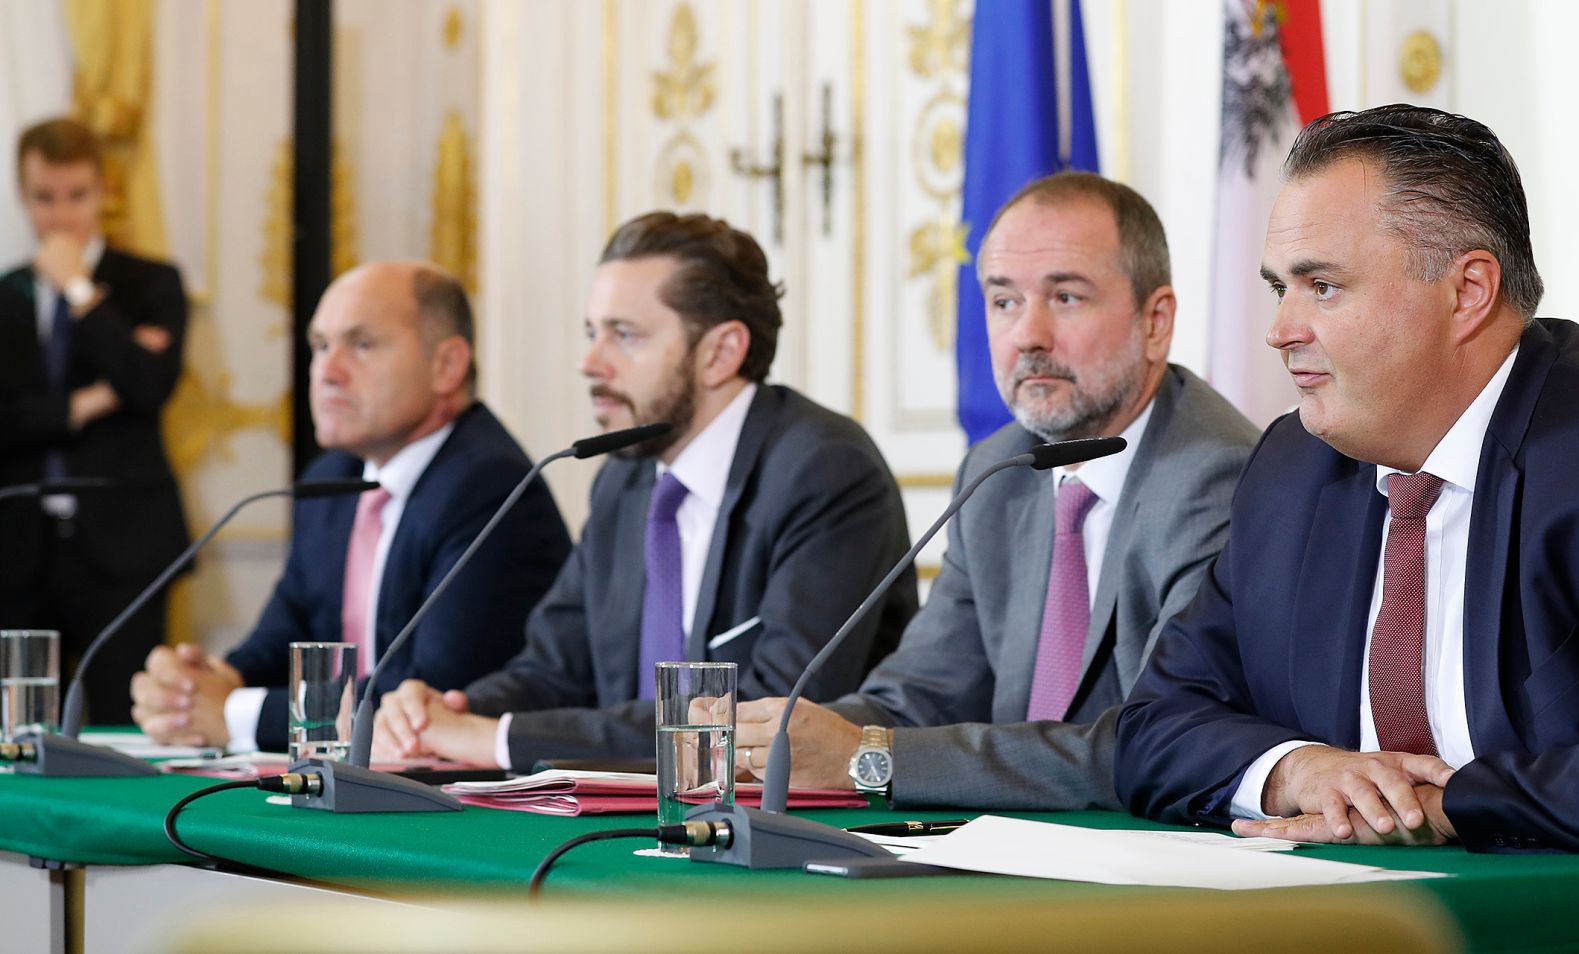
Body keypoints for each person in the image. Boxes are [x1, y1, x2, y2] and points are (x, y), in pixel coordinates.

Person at [1116, 105, 1579, 856]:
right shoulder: (1293, 466)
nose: (1281, 328)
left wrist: (1438, 805)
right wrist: (1301, 771)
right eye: (1278, 288)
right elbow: (1153, 725)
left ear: (1468, 291)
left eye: (1321, 286)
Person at [733, 173, 1259, 810]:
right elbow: (921, 695)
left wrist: (866, 758)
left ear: (1155, 322)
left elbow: (1154, 738)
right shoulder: (1000, 469)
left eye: (1065, 297)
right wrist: (773, 741)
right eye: (1003, 301)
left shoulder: (1216, 477)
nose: (1027, 336)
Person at [374, 212, 916, 771]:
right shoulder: (624, 480)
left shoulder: (824, 471)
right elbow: (554, 670)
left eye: (624, 336)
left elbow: (763, 719)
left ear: (720, 352)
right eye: (592, 333)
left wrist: (497, 739)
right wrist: (440, 714)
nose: (589, 363)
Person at [129, 261, 572, 752]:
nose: (327, 372)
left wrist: (235, 713)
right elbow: (286, 633)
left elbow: (429, 698)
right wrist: (199, 685)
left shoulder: (491, 488)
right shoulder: (331, 480)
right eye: (319, 346)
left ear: (447, 365)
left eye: (361, 346)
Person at [0, 117, 189, 725]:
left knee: (120, 727)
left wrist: (80, 292)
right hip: (19, 546)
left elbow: (147, 385)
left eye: (77, 195)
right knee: (20, 730)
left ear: (104, 192)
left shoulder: (152, 283)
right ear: (22, 196)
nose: (61, 216)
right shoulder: (5, 296)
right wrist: (88, 402)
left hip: (125, 544)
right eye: (44, 198)